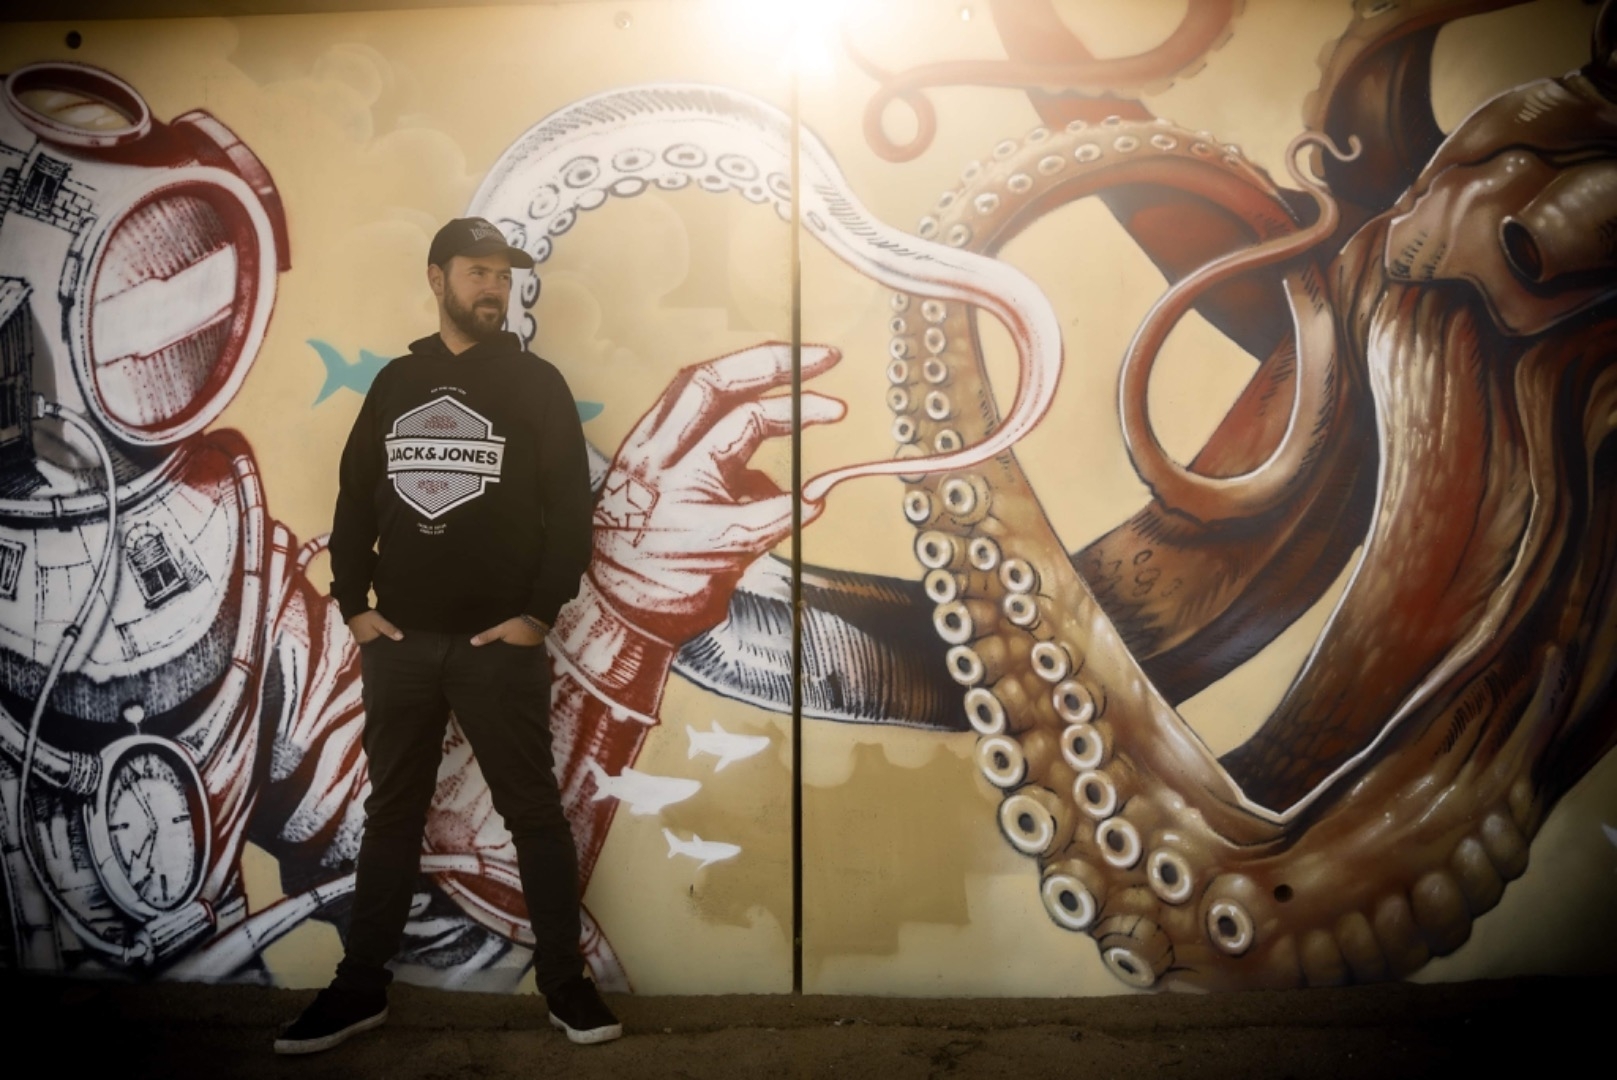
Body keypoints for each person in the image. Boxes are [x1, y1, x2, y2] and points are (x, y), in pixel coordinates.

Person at [275, 217, 619, 1053]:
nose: (493, 287)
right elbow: (355, 497)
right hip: (400, 646)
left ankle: (565, 984)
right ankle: (360, 987)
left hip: (497, 648)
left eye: (502, 274)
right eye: (477, 272)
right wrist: (353, 605)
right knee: (391, 815)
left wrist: (537, 615)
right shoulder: (397, 381)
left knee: (532, 814)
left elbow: (571, 512)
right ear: (438, 279)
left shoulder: (535, 383)